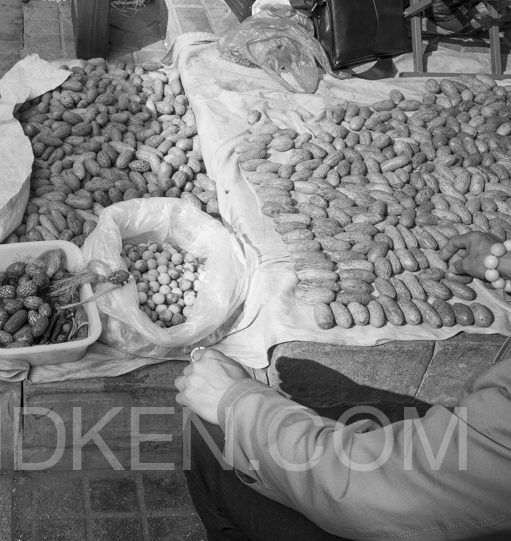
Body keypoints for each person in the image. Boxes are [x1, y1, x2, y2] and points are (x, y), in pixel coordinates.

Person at [175, 230, 511, 540]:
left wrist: (238, 401)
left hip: (401, 504)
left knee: (212, 438)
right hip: (473, 461)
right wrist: (502, 264)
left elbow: (377, 491)